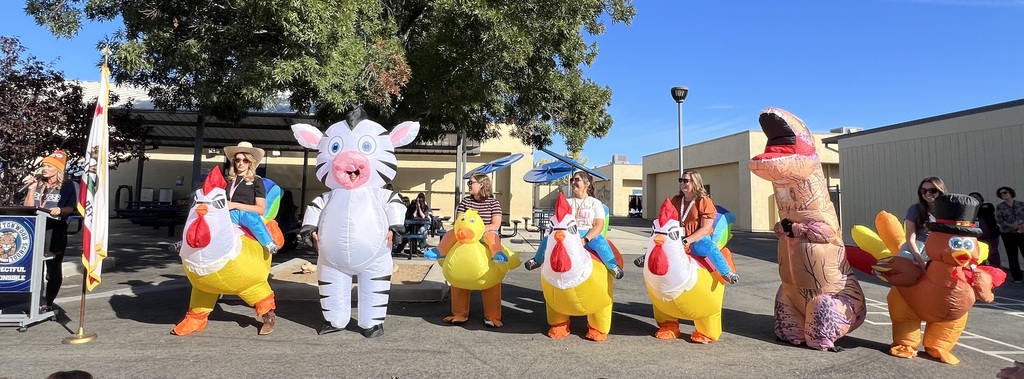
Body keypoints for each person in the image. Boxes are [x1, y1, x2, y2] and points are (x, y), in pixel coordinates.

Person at [169, 142, 278, 254]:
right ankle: (186, 241)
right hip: (225, 212)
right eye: (237, 160)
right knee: (202, 215)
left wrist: (235, 205)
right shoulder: (228, 180)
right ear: (234, 162)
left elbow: (261, 209)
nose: (241, 163)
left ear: (251, 162)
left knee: (250, 217)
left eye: (245, 160)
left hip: (244, 214)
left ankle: (268, 243)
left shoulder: (257, 181)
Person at [430, 173, 507, 326]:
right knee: (458, 276)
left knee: (493, 239)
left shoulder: (493, 203)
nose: (469, 185)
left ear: (482, 184)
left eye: (471, 183)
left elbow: (495, 225)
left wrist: (476, 231)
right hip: (465, 239)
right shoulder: (465, 202)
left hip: (484, 237)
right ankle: (459, 313)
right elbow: (459, 223)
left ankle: (492, 316)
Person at [524, 171, 623, 279]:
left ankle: (613, 266)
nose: (573, 182)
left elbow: (599, 226)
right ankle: (537, 260)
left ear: (587, 183)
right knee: (547, 239)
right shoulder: (568, 201)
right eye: (572, 180)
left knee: (600, 241)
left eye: (577, 180)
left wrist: (586, 239)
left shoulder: (595, 203)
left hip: (587, 233)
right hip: (569, 234)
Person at [21, 149, 77, 313]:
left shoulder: (67, 186)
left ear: (57, 169)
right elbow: (28, 207)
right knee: (34, 267)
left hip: (55, 231)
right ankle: (34, 300)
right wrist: (31, 189)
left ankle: (49, 301)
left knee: (52, 267)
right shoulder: (37, 183)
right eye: (43, 165)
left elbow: (71, 207)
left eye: (48, 166)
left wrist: (60, 210)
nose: (44, 169)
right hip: (34, 229)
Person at [669, 169, 738, 283]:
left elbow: (705, 229)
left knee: (710, 246)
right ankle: (647, 258)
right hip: (678, 237)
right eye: (681, 180)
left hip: (697, 240)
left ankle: (726, 272)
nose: (682, 183)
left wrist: (686, 241)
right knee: (658, 239)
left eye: (686, 181)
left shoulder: (703, 201)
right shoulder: (676, 200)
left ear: (695, 182)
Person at [901, 177, 946, 271]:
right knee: (905, 273)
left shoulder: (949, 210)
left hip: (940, 249)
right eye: (923, 191)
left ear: (940, 191)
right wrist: (920, 261)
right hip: (917, 248)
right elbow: (910, 238)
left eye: (932, 190)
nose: (927, 194)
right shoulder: (915, 209)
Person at [995, 186, 1024, 283]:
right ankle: (1017, 277)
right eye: (1001, 194)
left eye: (1005, 192)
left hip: (1022, 232)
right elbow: (999, 220)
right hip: (1008, 234)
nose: (1003, 194)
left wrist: (1021, 223)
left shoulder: (1021, 204)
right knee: (1012, 255)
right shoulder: (1000, 207)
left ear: (1011, 193)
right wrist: (1011, 225)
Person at [969, 192, 1001, 268]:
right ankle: (981, 271)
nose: (974, 199)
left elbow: (985, 211)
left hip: (990, 235)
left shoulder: (988, 206)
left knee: (993, 254)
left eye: (976, 197)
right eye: (972, 197)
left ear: (981, 198)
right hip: (977, 236)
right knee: (978, 255)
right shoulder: (969, 209)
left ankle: (995, 271)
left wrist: (975, 207)